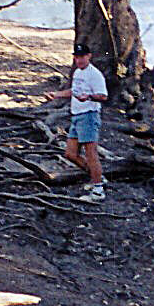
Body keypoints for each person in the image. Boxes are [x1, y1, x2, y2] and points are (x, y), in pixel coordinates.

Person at [47, 42, 108, 201]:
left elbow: (103, 96)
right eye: (76, 57)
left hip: (89, 115)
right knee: (70, 153)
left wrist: (88, 97)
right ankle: (98, 178)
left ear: (89, 56)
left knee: (91, 153)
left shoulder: (95, 74)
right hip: (76, 115)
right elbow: (73, 91)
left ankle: (98, 190)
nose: (79, 60)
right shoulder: (77, 73)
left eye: (82, 57)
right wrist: (56, 94)